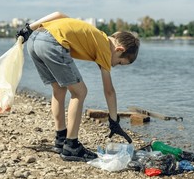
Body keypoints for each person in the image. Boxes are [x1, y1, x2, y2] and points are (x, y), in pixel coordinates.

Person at [16, 11, 140, 162]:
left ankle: (61, 139)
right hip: (51, 42)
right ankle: (71, 146)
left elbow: (59, 14)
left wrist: (28, 29)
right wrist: (114, 122)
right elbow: (109, 91)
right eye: (120, 62)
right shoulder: (106, 48)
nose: (116, 65)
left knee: (59, 89)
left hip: (35, 40)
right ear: (119, 49)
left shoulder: (95, 36)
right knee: (80, 93)